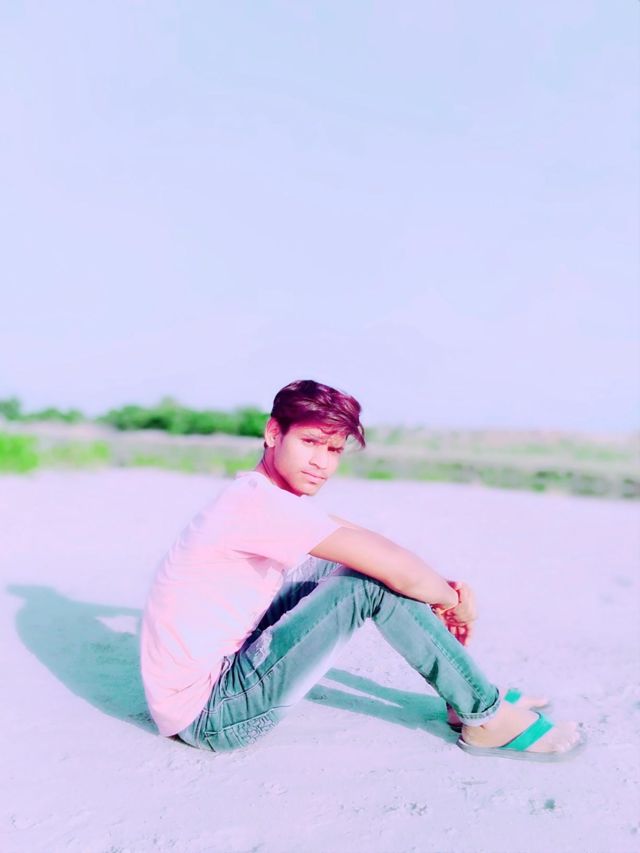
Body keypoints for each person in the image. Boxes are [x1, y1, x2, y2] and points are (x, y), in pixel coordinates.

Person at [140, 379, 585, 762]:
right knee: (367, 583)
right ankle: (485, 716)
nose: (322, 462)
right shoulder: (258, 505)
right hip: (212, 715)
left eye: (334, 449)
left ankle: (464, 695)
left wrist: (436, 586)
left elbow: (369, 543)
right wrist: (453, 602)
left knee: (349, 563)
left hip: (219, 673)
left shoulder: (261, 497)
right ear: (274, 433)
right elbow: (394, 569)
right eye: (310, 442)